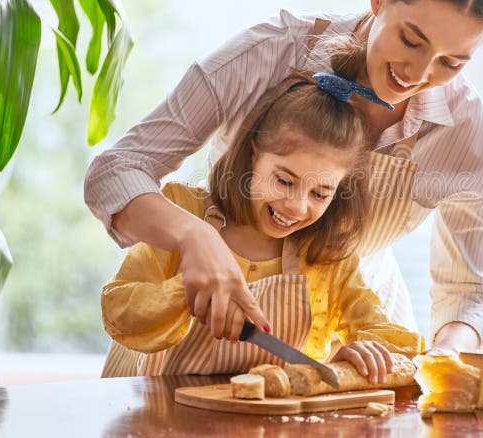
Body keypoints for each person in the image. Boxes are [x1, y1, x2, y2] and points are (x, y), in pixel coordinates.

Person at [85, 0, 483, 356]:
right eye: (411, 40)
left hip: (344, 351)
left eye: (451, 63)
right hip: (178, 338)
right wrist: (196, 238)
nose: (418, 73)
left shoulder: (465, 134)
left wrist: (446, 356)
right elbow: (116, 171)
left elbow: (470, 292)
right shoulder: (269, 52)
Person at [100, 71, 423, 379]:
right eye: (284, 180)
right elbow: (119, 312)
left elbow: (393, 340)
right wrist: (186, 291)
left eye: (320, 193)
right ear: (254, 155)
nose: (297, 206)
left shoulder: (327, 257)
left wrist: (358, 357)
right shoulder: (184, 210)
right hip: (167, 418)